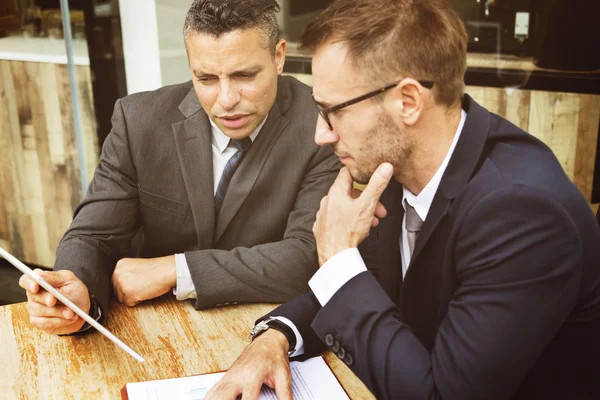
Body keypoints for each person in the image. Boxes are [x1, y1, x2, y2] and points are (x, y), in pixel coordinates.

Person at [206, 0, 600, 399]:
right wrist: (277, 336)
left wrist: (338, 259)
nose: (321, 136)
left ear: (407, 102)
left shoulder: (522, 212)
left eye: (332, 112)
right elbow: (374, 279)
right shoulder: (395, 162)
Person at [18, 0, 340, 336]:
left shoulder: (322, 125)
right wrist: (76, 290)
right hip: (151, 332)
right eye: (207, 78)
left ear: (278, 56)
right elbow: (93, 236)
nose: (227, 99)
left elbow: (308, 257)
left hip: (271, 332)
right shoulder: (138, 121)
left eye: (244, 75)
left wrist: (177, 269)